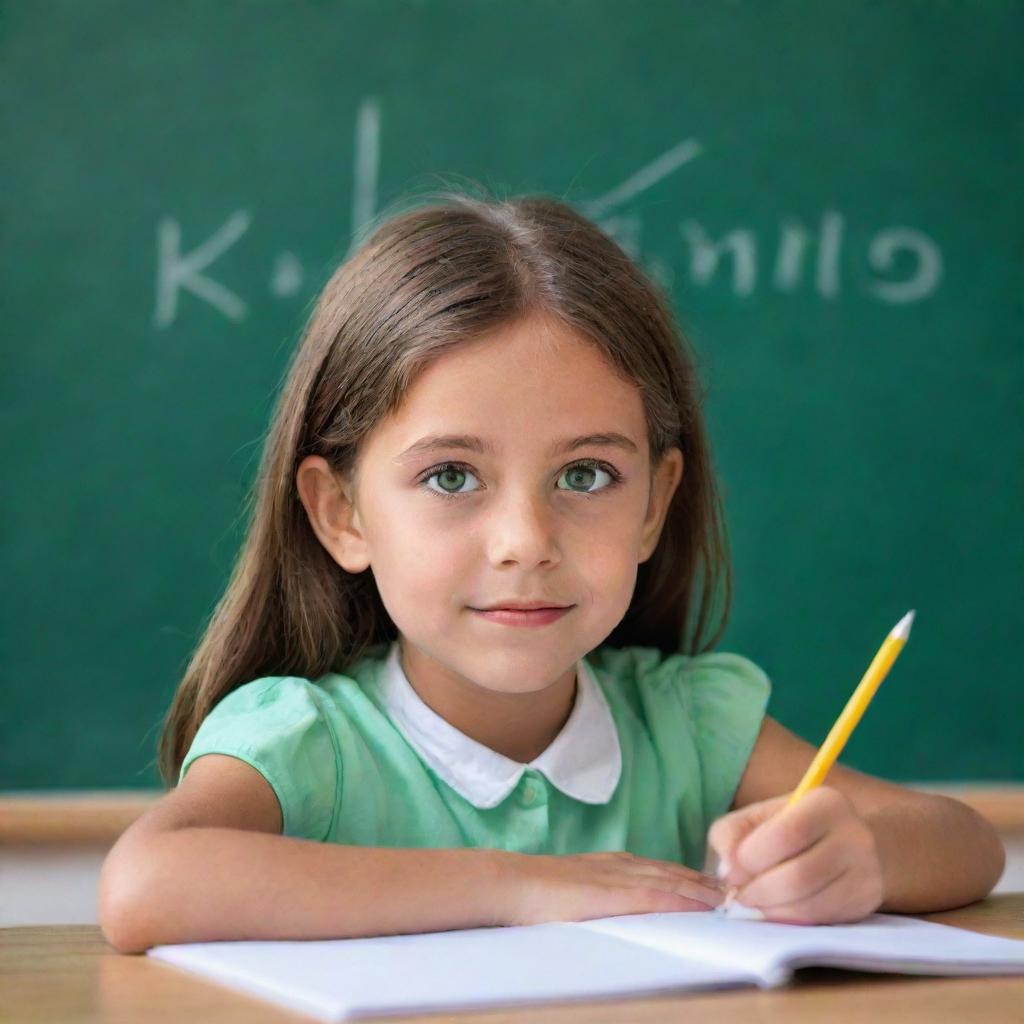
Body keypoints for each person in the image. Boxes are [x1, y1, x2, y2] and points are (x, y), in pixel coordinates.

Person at [98, 189, 1004, 954]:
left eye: (586, 476)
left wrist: (860, 857)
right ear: (343, 513)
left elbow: (967, 847)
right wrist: (520, 886)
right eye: (451, 476)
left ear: (655, 503)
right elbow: (147, 884)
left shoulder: (689, 725)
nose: (524, 541)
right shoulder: (308, 741)